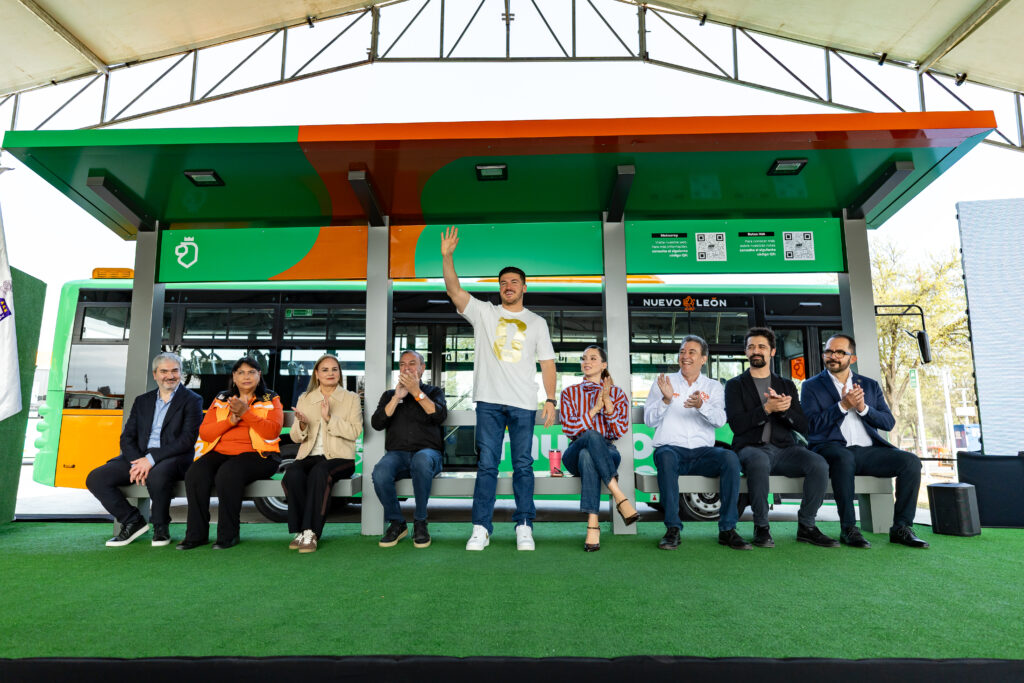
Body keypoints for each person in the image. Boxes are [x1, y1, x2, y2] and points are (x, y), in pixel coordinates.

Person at [441, 226, 557, 551]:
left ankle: (524, 526)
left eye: (514, 282)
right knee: (487, 466)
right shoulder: (484, 313)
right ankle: (481, 528)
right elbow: (454, 290)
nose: (508, 286)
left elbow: (548, 363)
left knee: (523, 466)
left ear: (524, 287)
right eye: (504, 282)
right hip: (489, 402)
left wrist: (550, 399)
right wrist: (447, 257)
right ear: (499, 288)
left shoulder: (537, 323)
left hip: (524, 403)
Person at [801, 334, 928, 549]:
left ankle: (902, 528)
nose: (833, 356)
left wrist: (863, 408)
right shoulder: (811, 386)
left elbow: (888, 422)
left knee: (911, 462)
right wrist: (842, 406)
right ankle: (849, 528)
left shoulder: (869, 385)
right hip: (832, 449)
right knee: (844, 458)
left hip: (869, 452)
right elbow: (810, 426)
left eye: (839, 352)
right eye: (829, 351)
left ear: (852, 358)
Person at [724, 327, 836, 548]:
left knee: (819, 464)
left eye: (762, 347)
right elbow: (737, 425)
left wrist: (783, 411)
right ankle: (761, 527)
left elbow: (803, 425)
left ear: (772, 351)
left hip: (786, 449)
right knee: (758, 462)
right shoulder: (735, 385)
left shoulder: (786, 385)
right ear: (746, 352)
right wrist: (766, 409)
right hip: (751, 448)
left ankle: (807, 526)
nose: (756, 351)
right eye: (751, 347)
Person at [644, 335, 751, 551]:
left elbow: (720, 420)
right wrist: (666, 400)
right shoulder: (664, 382)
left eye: (691, 352)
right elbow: (649, 420)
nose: (685, 356)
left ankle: (728, 529)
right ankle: (672, 529)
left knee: (730, 458)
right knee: (665, 456)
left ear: (703, 359)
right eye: (682, 352)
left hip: (703, 453)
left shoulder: (713, 387)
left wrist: (702, 405)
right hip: (671, 450)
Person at [85, 352, 202, 547]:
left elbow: (187, 440)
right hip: (138, 457)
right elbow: (127, 437)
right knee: (96, 478)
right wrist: (138, 461)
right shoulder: (142, 401)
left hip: (174, 457)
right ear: (155, 375)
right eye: (164, 371)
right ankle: (132, 521)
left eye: (175, 371)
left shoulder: (192, 400)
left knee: (157, 475)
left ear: (181, 373)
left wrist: (151, 459)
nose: (170, 376)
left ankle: (161, 527)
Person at [177, 357, 283, 550]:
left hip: (260, 455)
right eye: (241, 372)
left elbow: (272, 432)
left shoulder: (270, 398)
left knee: (228, 473)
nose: (246, 377)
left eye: (251, 372)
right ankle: (196, 535)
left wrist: (246, 413)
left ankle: (228, 535)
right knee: (195, 473)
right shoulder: (222, 398)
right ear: (234, 377)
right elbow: (205, 433)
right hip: (221, 452)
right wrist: (230, 422)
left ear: (259, 375)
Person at [559, 345, 639, 552]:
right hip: (574, 451)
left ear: (604, 365)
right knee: (590, 438)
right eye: (584, 358)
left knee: (589, 455)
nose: (586, 361)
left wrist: (608, 405)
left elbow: (619, 431)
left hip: (607, 451)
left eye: (593, 358)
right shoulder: (569, 393)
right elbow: (569, 429)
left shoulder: (617, 394)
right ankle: (619, 495)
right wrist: (595, 409)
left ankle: (593, 524)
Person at [284, 354, 363, 553]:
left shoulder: (351, 398)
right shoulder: (305, 398)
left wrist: (329, 418)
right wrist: (302, 425)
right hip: (309, 455)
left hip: (340, 458)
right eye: (325, 370)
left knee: (320, 471)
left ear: (340, 373)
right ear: (317, 374)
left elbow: (355, 432)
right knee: (292, 473)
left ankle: (311, 531)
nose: (330, 373)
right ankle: (301, 530)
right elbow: (295, 437)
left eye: (334, 369)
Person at [370, 350, 448, 549]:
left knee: (421, 460)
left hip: (429, 455)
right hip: (398, 455)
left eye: (412, 363)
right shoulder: (389, 395)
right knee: (380, 472)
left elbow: (439, 416)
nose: (407, 368)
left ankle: (420, 522)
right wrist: (396, 398)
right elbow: (377, 423)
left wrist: (416, 392)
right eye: (403, 364)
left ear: (422, 368)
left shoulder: (434, 392)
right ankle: (397, 523)